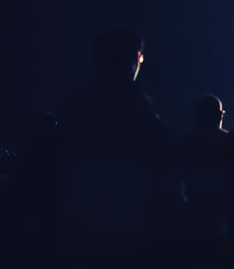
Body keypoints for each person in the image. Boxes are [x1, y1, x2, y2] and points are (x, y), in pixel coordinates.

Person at [54, 31, 180, 264]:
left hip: (78, 227)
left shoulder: (76, 105)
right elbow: (163, 156)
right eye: (141, 59)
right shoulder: (136, 103)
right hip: (124, 228)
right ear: (134, 58)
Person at [176, 95, 229, 244]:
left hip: (193, 214)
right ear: (220, 115)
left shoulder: (183, 144)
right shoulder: (231, 142)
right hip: (223, 215)